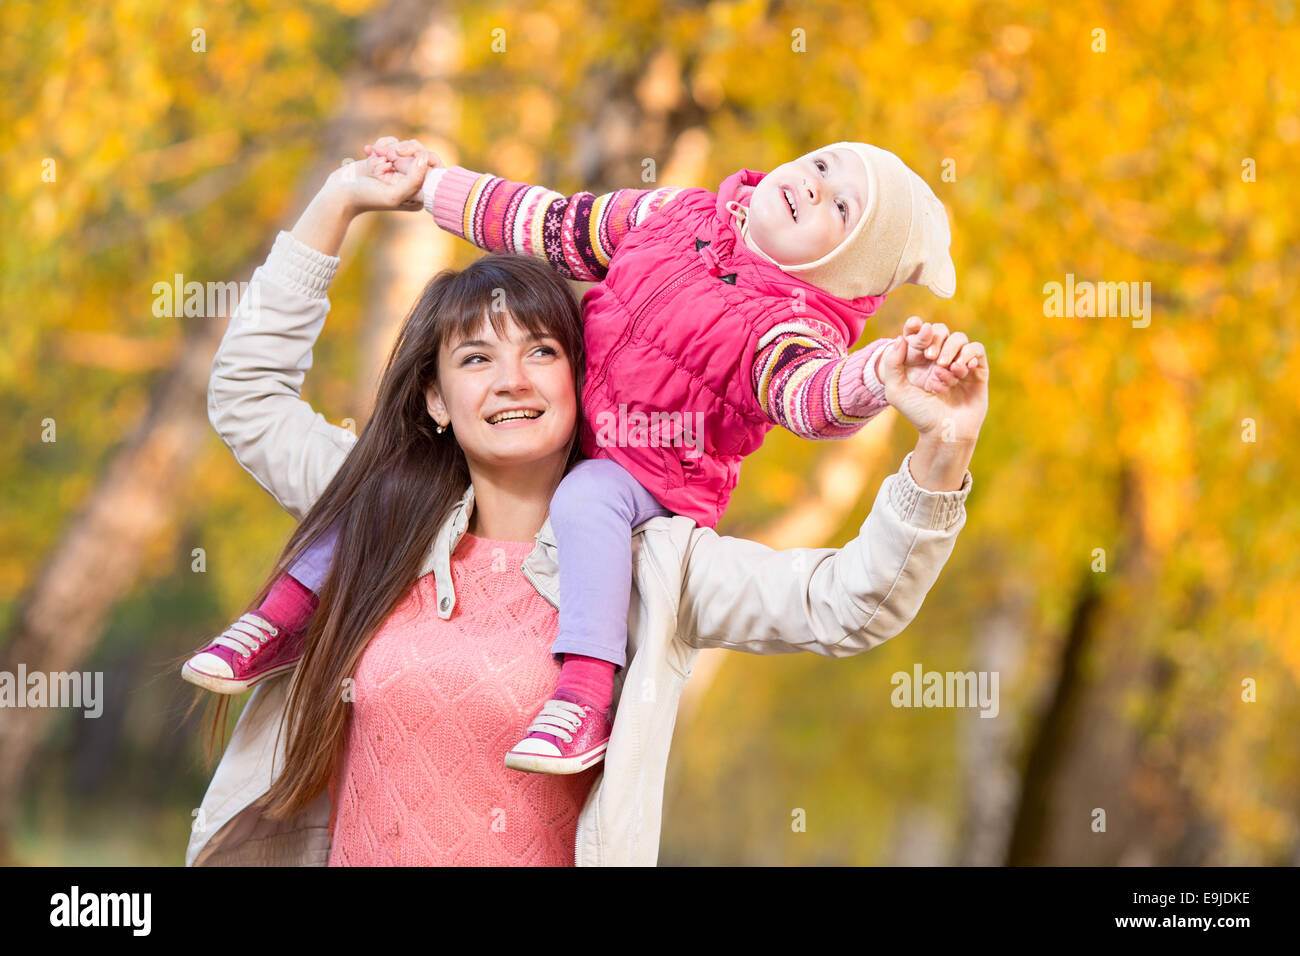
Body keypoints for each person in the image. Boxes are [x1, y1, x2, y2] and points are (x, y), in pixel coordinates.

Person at [185, 147, 987, 865]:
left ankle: (582, 701)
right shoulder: (380, 502)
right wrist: (344, 199)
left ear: (584, 368)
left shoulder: (654, 569)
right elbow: (247, 396)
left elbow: (848, 605)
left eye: (542, 351)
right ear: (435, 396)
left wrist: (940, 449)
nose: (511, 380)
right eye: (475, 358)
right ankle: (272, 620)